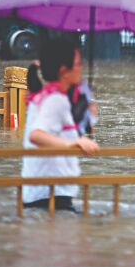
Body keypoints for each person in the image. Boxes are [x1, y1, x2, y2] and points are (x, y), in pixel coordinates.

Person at [23, 38, 100, 212]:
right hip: (50, 193)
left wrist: (87, 111)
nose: (81, 68)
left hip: (47, 190)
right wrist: (72, 144)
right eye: (78, 64)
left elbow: (74, 129)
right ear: (64, 71)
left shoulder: (51, 96)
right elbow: (36, 135)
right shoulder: (55, 100)